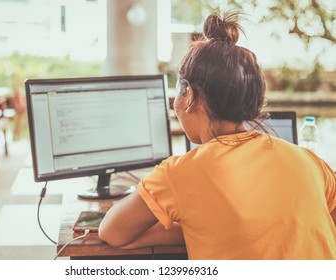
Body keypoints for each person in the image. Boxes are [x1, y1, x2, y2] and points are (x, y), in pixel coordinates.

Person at [98, 11, 336, 260]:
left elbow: (112, 231)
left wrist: (187, 229)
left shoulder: (180, 172)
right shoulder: (309, 160)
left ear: (188, 96)